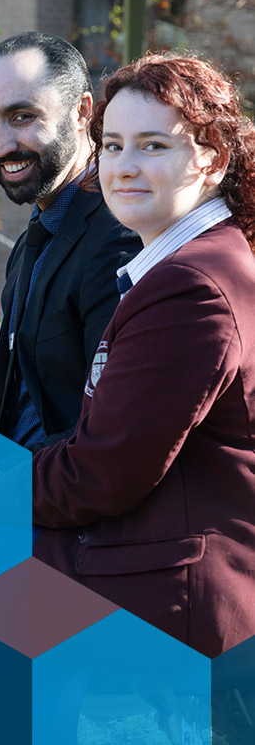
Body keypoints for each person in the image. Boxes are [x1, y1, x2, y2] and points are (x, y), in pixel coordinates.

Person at [32, 53, 255, 658]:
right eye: (112, 145)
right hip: (147, 550)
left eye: (153, 146)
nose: (123, 167)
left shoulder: (193, 288)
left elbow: (101, 476)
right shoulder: (204, 261)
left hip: (167, 588)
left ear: (213, 158)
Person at [0, 32, 142, 449]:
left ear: (82, 111)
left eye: (22, 116)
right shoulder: (42, 226)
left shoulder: (120, 235)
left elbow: (110, 438)